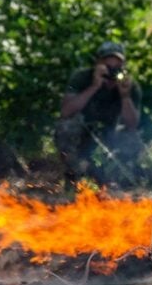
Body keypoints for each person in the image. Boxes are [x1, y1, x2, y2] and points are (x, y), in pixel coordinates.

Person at [55, 41, 143, 185]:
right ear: (98, 63)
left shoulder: (129, 86)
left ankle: (116, 180)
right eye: (108, 66)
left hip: (111, 134)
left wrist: (125, 96)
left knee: (132, 138)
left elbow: (132, 124)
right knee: (66, 127)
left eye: (117, 67)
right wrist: (94, 86)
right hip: (83, 131)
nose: (112, 70)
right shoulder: (82, 78)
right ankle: (73, 175)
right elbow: (65, 112)